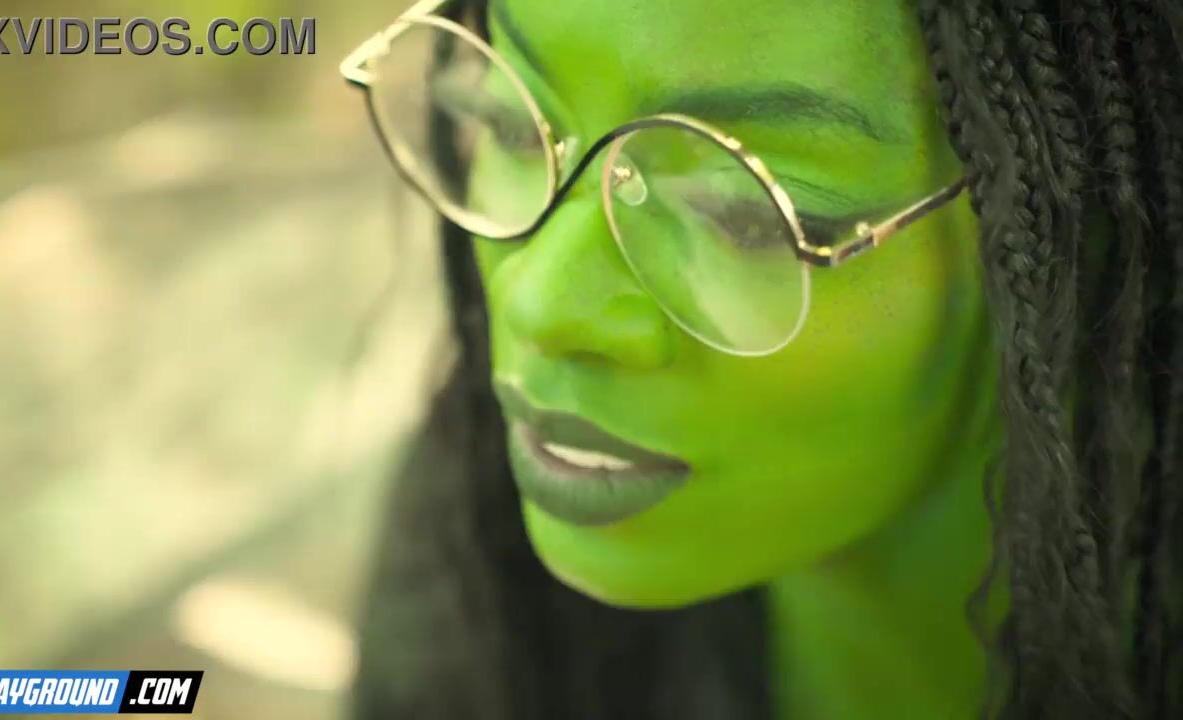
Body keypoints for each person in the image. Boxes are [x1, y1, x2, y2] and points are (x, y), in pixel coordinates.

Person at [339, 0, 1183, 717]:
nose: (537, 301)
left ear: (1077, 230)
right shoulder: (472, 576)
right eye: (510, 128)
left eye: (743, 215)